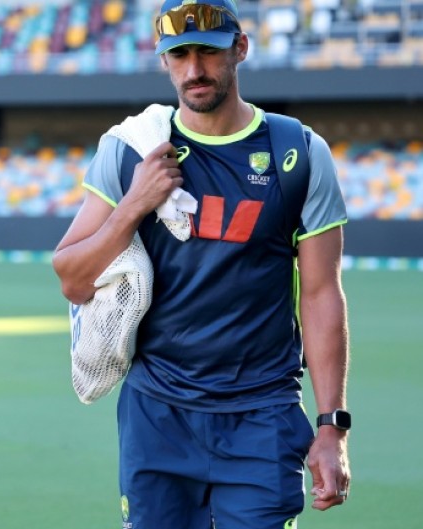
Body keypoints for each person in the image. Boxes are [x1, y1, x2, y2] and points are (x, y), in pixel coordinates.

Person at [52, 1, 351, 527]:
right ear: (163, 60)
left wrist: (332, 427)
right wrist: (134, 204)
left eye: (208, 53)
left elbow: (322, 293)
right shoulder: (129, 152)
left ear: (240, 48)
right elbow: (73, 280)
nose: (194, 70)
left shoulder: (299, 152)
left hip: (262, 416)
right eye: (179, 55)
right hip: (156, 417)